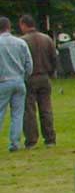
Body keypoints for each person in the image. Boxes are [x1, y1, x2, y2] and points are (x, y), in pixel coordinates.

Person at [17, 15, 58, 148]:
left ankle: (31, 140)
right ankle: (50, 138)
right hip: (45, 77)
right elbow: (54, 59)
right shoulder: (47, 39)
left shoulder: (22, 41)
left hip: (29, 78)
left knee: (29, 110)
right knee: (46, 109)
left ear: (24, 25)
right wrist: (50, 73)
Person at [0, 16, 32, 152]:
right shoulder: (20, 42)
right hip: (19, 81)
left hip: (3, 81)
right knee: (17, 115)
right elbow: (29, 64)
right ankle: (15, 143)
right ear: (9, 27)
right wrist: (24, 77)